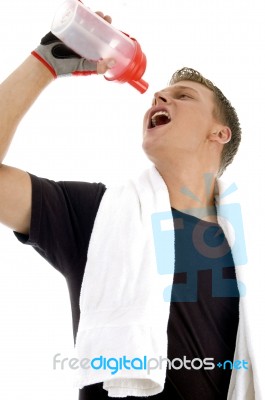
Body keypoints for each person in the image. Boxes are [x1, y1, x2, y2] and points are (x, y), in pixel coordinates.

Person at [0, 11, 256, 400]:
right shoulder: (96, 214)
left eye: (184, 96)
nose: (161, 96)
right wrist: (44, 63)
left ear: (220, 134)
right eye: (162, 94)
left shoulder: (250, 252)